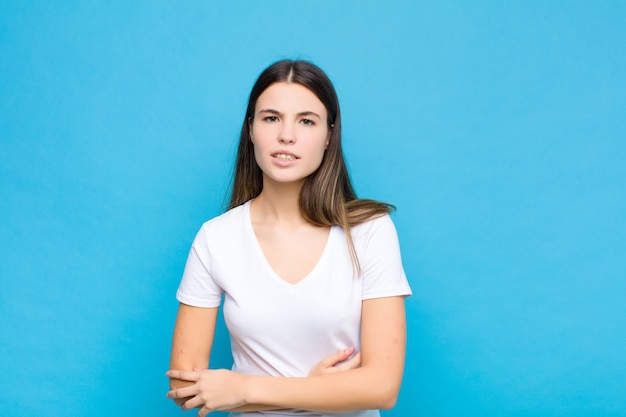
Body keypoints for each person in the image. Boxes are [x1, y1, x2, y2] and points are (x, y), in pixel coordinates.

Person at [166, 60, 412, 417]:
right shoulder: (216, 239)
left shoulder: (370, 230)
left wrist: (247, 389)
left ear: (329, 135)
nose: (287, 136)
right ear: (250, 129)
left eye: (307, 121)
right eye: (271, 118)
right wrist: (316, 390)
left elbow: (383, 388)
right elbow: (185, 386)